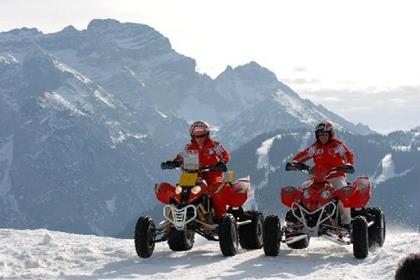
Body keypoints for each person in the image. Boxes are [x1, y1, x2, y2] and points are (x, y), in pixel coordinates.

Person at [163, 121, 231, 220]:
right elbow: (181, 157)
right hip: (194, 175)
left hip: (213, 174)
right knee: (181, 190)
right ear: (193, 136)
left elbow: (225, 155)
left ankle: (221, 218)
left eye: (202, 136)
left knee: (217, 191)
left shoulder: (215, 145)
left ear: (207, 135)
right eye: (197, 136)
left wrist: (223, 162)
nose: (200, 138)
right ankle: (176, 217)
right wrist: (172, 163)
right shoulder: (189, 147)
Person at [291, 121, 355, 227]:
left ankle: (346, 223)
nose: (322, 137)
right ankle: (296, 221)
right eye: (320, 135)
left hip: (336, 176)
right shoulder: (315, 147)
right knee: (300, 191)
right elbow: (305, 154)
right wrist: (295, 162)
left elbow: (347, 154)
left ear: (331, 134)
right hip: (317, 178)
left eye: (325, 134)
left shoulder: (337, 145)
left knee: (344, 195)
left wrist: (349, 164)